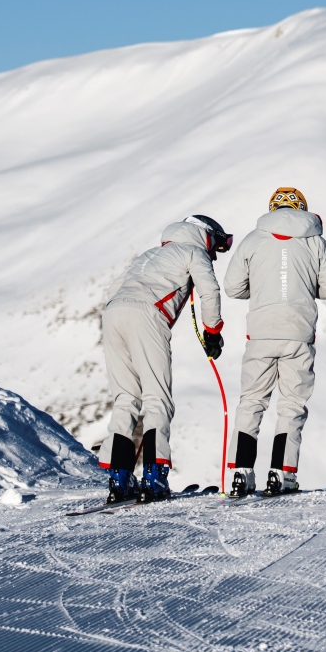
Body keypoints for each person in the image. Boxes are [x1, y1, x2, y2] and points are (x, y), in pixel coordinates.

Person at [100, 215, 232, 502]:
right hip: (148, 315)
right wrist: (212, 332)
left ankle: (119, 478)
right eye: (217, 244)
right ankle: (154, 477)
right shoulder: (194, 252)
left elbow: (112, 292)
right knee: (157, 399)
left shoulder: (149, 254)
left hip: (113, 315)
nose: (214, 252)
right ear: (205, 235)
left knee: (125, 398)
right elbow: (209, 290)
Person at [224, 188, 326, 498]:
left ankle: (241, 472)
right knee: (292, 403)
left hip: (260, 332)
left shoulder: (253, 239)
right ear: (303, 210)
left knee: (251, 400)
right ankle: (282, 473)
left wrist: (265, 289)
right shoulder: (316, 241)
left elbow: (233, 288)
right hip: (298, 332)